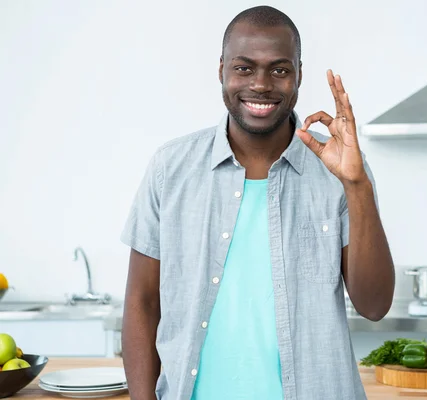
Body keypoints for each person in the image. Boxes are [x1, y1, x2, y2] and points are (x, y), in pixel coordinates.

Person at [120, 5, 395, 400]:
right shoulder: (171, 167)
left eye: (279, 70)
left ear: (299, 74)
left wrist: (357, 185)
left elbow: (374, 305)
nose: (261, 84)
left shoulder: (340, 171)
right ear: (221, 70)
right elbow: (142, 303)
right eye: (244, 68)